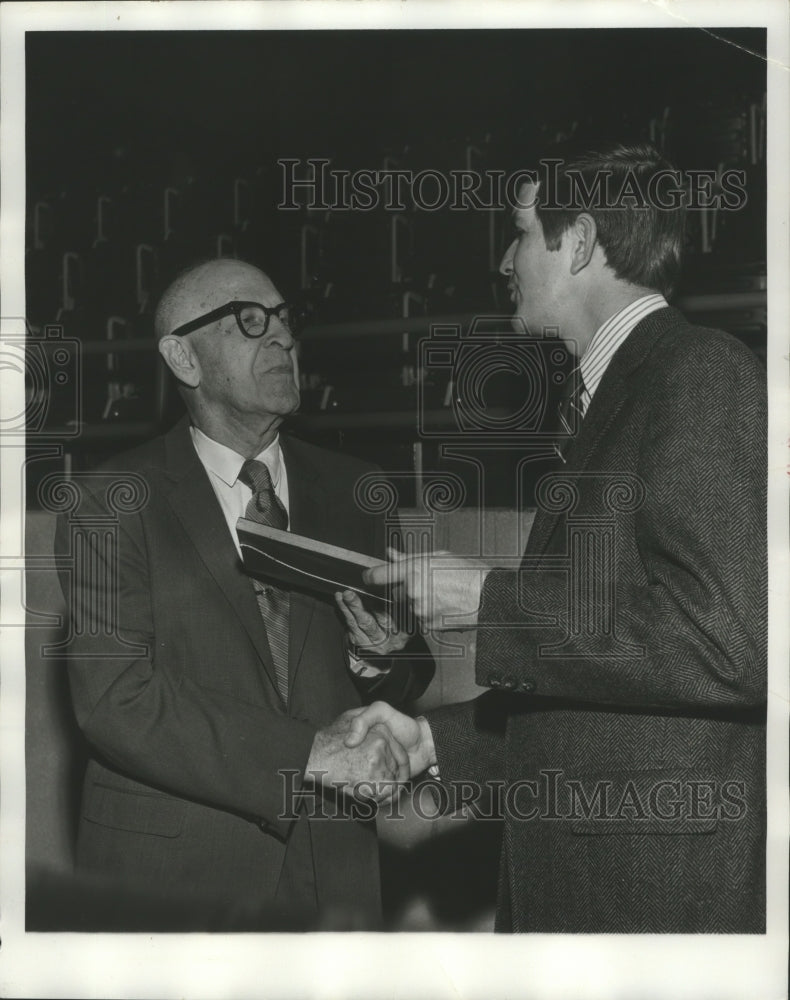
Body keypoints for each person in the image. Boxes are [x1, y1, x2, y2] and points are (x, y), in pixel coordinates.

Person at [344, 142, 767, 933]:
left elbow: (728, 642)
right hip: (597, 886)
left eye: (519, 231)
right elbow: (598, 695)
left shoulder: (699, 372)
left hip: (652, 902)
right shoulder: (611, 396)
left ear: (576, 243)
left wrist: (487, 597)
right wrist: (434, 736)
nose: (505, 258)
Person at [55, 257, 432, 930]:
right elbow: (116, 700)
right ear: (184, 358)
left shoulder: (357, 490)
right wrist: (308, 755)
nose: (283, 338)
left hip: (334, 876)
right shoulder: (110, 501)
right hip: (172, 880)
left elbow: (409, 671)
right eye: (251, 321)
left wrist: (381, 660)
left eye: (287, 320)